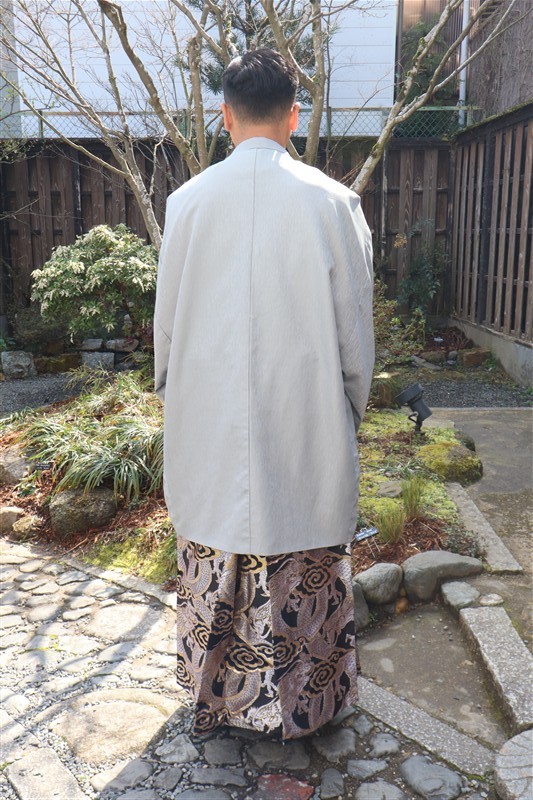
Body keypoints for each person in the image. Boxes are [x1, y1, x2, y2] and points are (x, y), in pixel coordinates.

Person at [154, 48, 374, 740]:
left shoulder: (187, 203)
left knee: (216, 545)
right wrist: (349, 407)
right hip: (303, 413)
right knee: (304, 552)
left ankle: (219, 698)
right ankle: (308, 707)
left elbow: (166, 326)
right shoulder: (333, 202)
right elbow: (354, 328)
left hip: (209, 415)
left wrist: (172, 393)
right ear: (293, 115)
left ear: (225, 116)